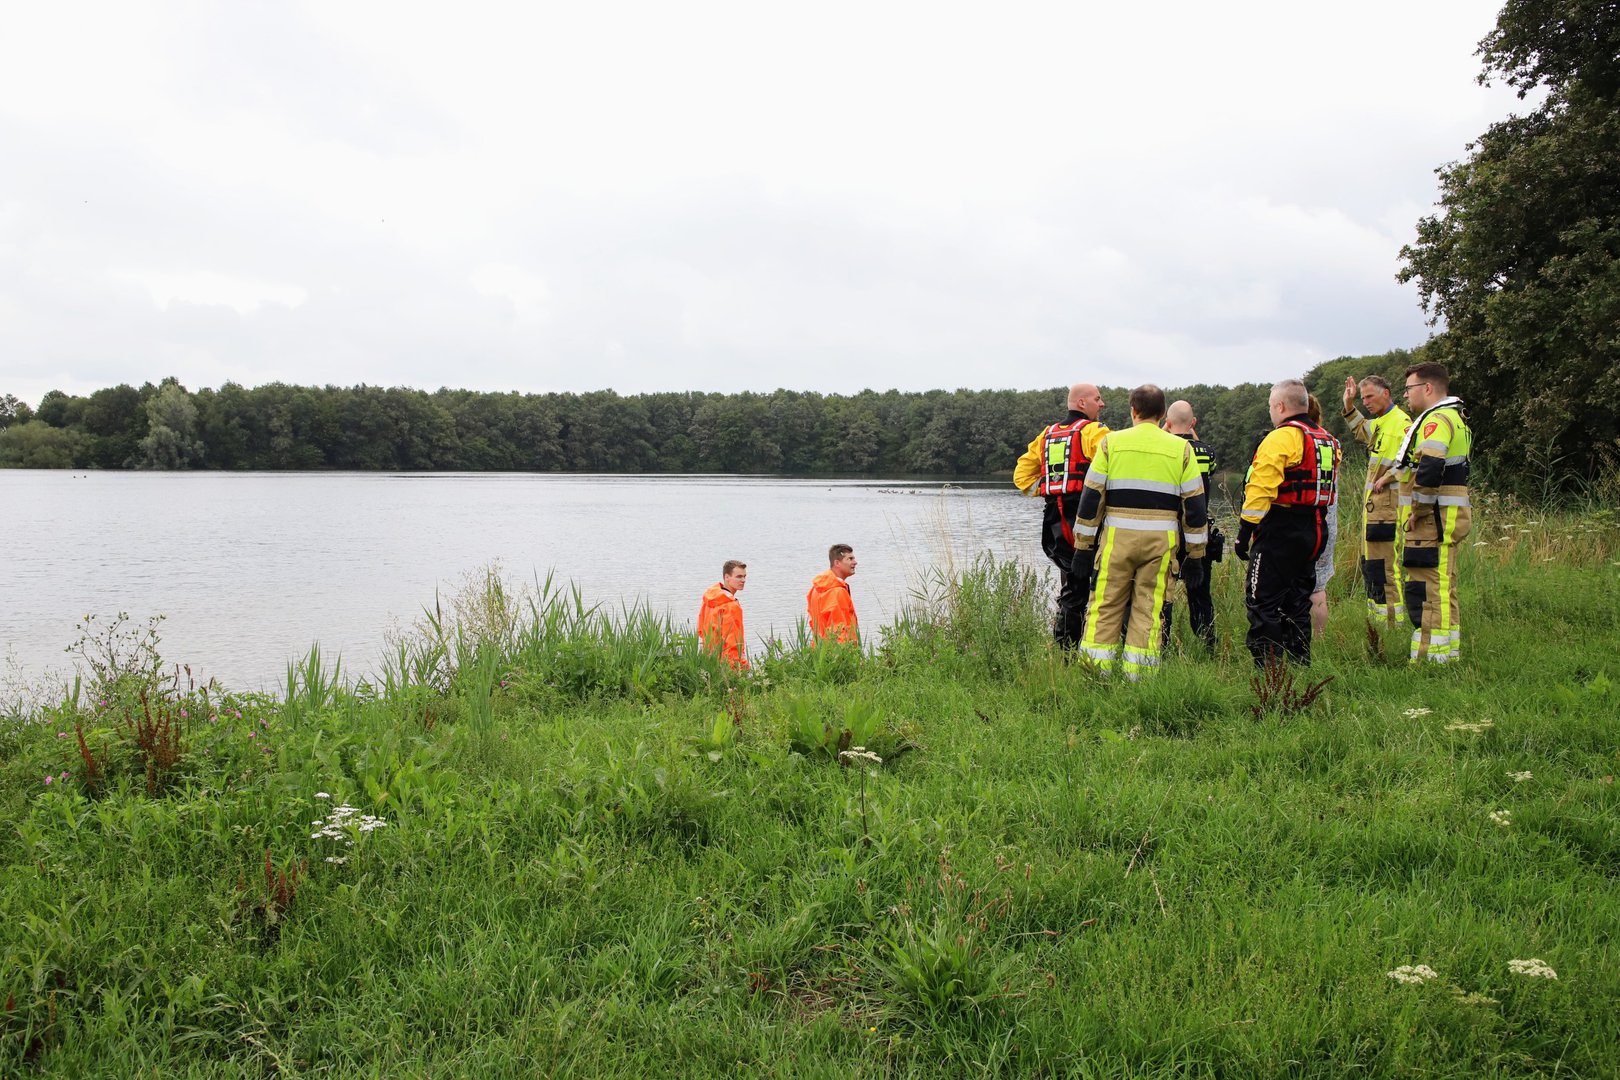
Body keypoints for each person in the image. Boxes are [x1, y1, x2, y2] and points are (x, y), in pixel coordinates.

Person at [1070, 385, 1208, 679]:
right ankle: (1140, 681)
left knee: (1104, 606)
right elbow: (1195, 507)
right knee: (1149, 610)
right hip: (1160, 545)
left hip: (1116, 542)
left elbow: (1091, 498)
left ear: (1133, 410)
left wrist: (1083, 547)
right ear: (1162, 415)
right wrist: (1196, 555)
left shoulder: (1111, 443)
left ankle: (1095, 676)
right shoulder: (1181, 449)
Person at [1234, 379, 1340, 666]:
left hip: (1282, 527)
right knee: (1298, 600)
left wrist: (1245, 532)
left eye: (1271, 406)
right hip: (1316, 527)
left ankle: (1268, 671)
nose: (1271, 412)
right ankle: (1299, 662)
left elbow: (1261, 487)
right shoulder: (1327, 440)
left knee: (1262, 600)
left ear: (1280, 406)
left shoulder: (1281, 438)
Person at [1012, 383, 1110, 649]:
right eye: (1098, 399)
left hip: (1055, 519)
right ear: (1082, 403)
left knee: (1070, 582)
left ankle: (1065, 650)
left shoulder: (1046, 435)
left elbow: (1021, 477)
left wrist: (1047, 490)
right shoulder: (1093, 432)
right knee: (1103, 582)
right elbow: (1117, 461)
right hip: (1087, 517)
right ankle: (1098, 644)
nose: (1102, 404)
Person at [1388, 361, 1472, 663]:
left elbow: (1430, 466)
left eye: (1409, 388)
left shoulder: (1436, 420)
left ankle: (1428, 658)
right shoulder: (1455, 416)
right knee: (1444, 584)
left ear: (1427, 388)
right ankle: (1448, 654)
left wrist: (1419, 511)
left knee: (1426, 586)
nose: (1406, 395)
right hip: (1448, 514)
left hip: (1434, 516)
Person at [1342, 373, 1412, 625]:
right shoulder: (1382, 422)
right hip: (1374, 507)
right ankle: (1377, 620)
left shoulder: (1401, 422)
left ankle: (1392, 620)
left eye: (1370, 396)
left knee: (1384, 565)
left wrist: (1390, 476)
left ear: (1386, 392)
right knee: (1370, 564)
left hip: (1388, 505)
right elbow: (1361, 429)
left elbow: (1415, 459)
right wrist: (1349, 405)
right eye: (1363, 398)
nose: (1367, 402)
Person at [1158, 399, 1220, 651]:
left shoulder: (1166, 450)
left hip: (1169, 532)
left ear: (1168, 423)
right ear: (1193, 423)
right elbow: (1209, 467)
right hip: (1199, 533)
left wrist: (1163, 430)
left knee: (1163, 593)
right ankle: (1208, 646)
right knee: (1200, 593)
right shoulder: (1208, 453)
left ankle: (1163, 644)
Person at [1306, 395, 1339, 637]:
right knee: (1318, 586)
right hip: (1328, 522)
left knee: (1294, 584)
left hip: (1305, 523)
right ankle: (1319, 637)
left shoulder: (1295, 442)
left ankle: (1295, 637)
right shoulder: (1331, 443)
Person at [696, 560, 749, 669]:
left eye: (744, 576)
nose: (743, 580)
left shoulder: (709, 599)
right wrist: (740, 668)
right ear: (727, 577)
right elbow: (734, 642)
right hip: (726, 665)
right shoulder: (731, 605)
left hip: (708, 659)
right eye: (738, 577)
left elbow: (701, 629)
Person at [807, 544, 859, 643]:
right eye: (850, 559)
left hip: (820, 650)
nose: (855, 562)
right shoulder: (837, 591)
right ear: (837, 563)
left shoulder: (816, 589)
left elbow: (813, 623)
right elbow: (839, 629)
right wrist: (846, 656)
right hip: (838, 653)